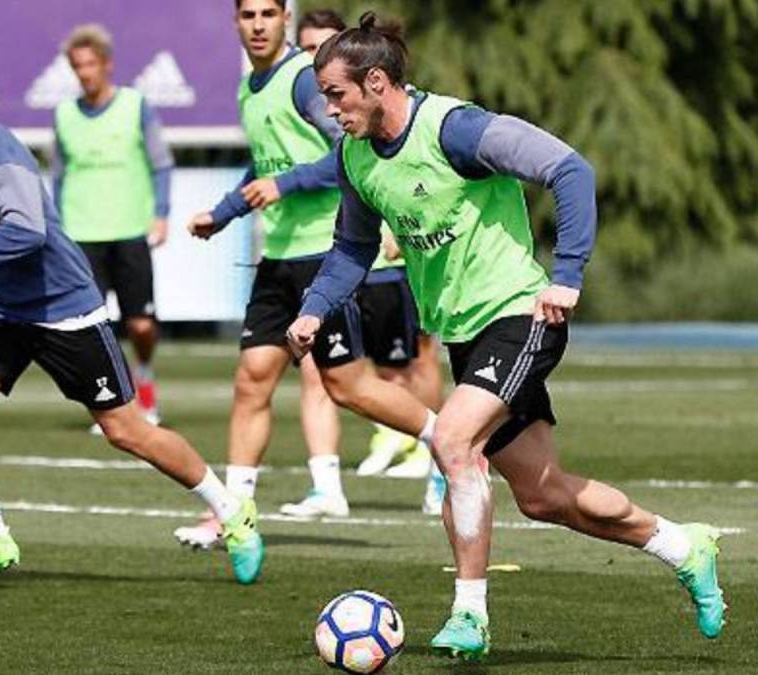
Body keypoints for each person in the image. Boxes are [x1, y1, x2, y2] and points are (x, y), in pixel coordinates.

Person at [287, 14, 726, 661]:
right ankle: (684, 546)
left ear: (376, 81)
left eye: (335, 93)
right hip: (466, 334)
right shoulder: (355, 158)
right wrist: (314, 309)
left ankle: (470, 613)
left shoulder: (456, 130)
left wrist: (567, 276)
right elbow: (353, 247)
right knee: (543, 495)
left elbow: (569, 170)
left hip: (523, 315)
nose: (329, 108)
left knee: (453, 441)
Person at [0, 58, 260, 584]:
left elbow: (27, 231)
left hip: (65, 309)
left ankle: (233, 513)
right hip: (3, 310)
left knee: (126, 431)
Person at [172, 0, 440, 557]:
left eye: (268, 13)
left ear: (285, 19)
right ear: (235, 22)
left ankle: (447, 441)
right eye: (248, 15)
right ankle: (233, 511)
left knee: (348, 387)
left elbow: (346, 148)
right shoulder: (250, 88)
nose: (259, 24)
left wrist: (287, 183)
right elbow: (264, 165)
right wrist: (223, 213)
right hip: (278, 255)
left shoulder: (301, 80)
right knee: (252, 380)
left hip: (323, 252)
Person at [299, 7, 447, 502]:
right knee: (328, 376)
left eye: (321, 46)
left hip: (393, 263)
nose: (328, 103)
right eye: (307, 49)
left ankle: (436, 457)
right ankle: (336, 480)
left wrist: (399, 229)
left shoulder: (419, 120)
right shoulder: (323, 111)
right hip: (329, 258)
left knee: (410, 362)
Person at [52, 24, 172, 429]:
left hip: (130, 230)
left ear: (106, 64)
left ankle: (145, 377)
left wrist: (161, 213)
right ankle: (110, 404)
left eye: (90, 64)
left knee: (141, 325)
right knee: (91, 327)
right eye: (77, 66)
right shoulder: (64, 114)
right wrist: (55, 228)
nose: (85, 73)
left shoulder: (135, 106)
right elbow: (58, 176)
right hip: (80, 234)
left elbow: (160, 163)